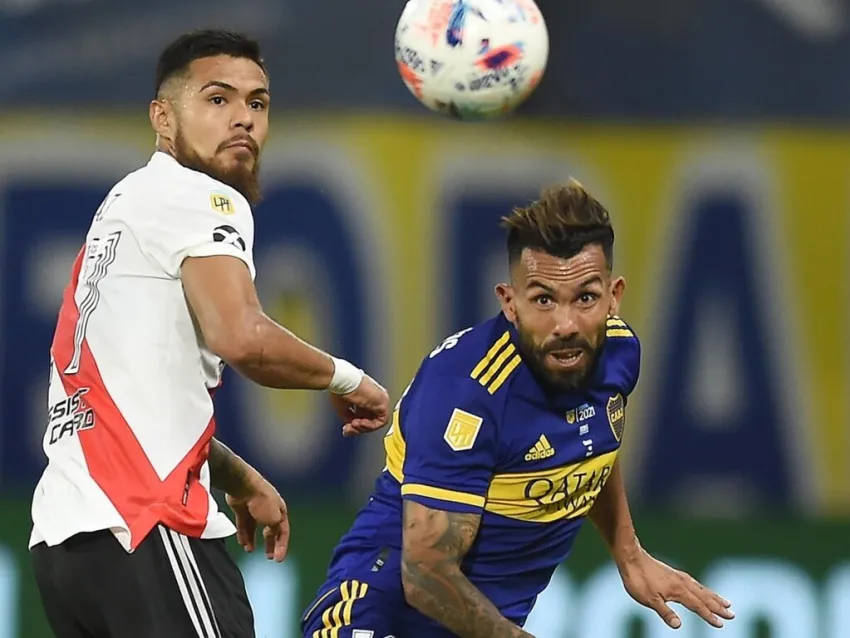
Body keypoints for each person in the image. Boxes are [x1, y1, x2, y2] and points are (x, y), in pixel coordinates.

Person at [28, 29, 390, 638]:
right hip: (145, 526)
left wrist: (238, 478)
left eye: (257, 102)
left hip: (68, 543)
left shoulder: (123, 208)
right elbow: (241, 336)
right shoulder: (197, 195)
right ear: (162, 118)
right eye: (218, 99)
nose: (243, 118)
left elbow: (133, 403)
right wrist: (347, 379)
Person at [301, 181, 736, 638]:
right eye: (543, 300)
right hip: (376, 610)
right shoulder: (466, 394)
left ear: (614, 297)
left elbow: (594, 446)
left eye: (585, 298)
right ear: (510, 303)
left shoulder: (619, 353)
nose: (565, 325)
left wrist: (629, 555)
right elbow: (425, 575)